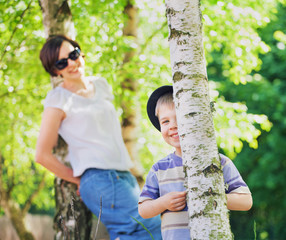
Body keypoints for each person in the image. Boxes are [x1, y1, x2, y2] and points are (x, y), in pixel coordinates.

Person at [35, 35, 162, 240]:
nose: (71, 63)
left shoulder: (101, 85)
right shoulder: (58, 99)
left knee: (136, 232)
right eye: (62, 62)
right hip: (99, 178)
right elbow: (41, 155)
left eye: (73, 54)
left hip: (123, 175)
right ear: (55, 70)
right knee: (150, 228)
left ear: (80, 53)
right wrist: (80, 180)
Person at [138, 85, 253, 240]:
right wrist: (163, 203)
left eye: (179, 117)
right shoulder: (159, 169)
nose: (172, 125)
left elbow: (246, 201)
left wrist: (212, 197)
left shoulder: (218, 162)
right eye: (165, 121)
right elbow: (144, 210)